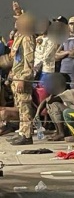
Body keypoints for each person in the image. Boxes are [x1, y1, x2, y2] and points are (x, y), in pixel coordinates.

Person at [7, 13, 36, 145]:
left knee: (25, 106)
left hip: (22, 78)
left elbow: (29, 61)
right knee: (19, 106)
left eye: (19, 21)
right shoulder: (20, 36)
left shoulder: (28, 38)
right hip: (16, 76)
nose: (16, 23)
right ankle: (21, 131)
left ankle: (27, 135)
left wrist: (24, 78)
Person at [56, 16, 74, 83]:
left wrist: (62, 53)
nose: (73, 26)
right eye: (71, 24)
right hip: (63, 70)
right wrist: (68, 52)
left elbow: (73, 54)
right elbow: (56, 56)